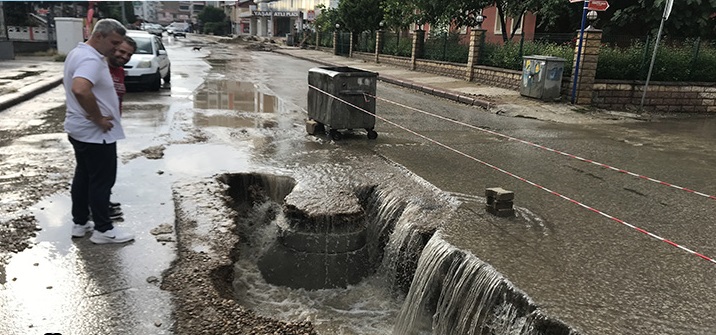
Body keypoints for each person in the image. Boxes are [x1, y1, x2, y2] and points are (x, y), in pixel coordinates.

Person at [64, 18, 134, 244]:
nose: (116, 49)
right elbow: (80, 89)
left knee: (84, 177)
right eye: (113, 43)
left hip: (79, 130)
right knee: (102, 182)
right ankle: (104, 230)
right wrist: (99, 119)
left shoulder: (77, 53)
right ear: (99, 35)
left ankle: (80, 222)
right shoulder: (90, 58)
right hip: (95, 133)